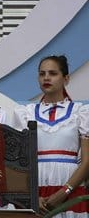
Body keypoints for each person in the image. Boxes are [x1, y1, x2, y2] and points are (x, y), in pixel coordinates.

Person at [10, 55, 89, 217]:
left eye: (53, 73)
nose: (46, 77)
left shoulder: (81, 112)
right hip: (34, 188)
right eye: (42, 73)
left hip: (70, 187)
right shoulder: (25, 113)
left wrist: (64, 192)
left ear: (66, 78)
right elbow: (17, 162)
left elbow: (87, 161)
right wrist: (32, 197)